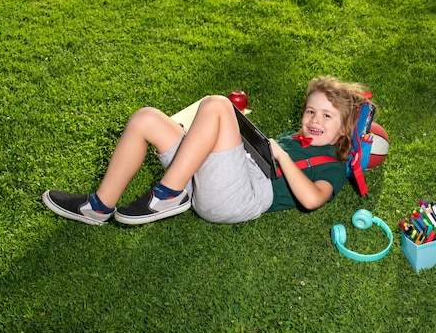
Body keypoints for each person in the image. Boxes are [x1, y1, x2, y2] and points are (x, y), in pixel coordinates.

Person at [42, 76, 371, 225]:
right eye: (311, 111)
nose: (314, 120)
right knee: (147, 118)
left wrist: (282, 157)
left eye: (327, 116)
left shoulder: (331, 166)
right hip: (221, 176)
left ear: (343, 129)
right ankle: (99, 206)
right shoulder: (295, 137)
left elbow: (313, 200)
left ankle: (167, 194)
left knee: (217, 105)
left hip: (239, 198)